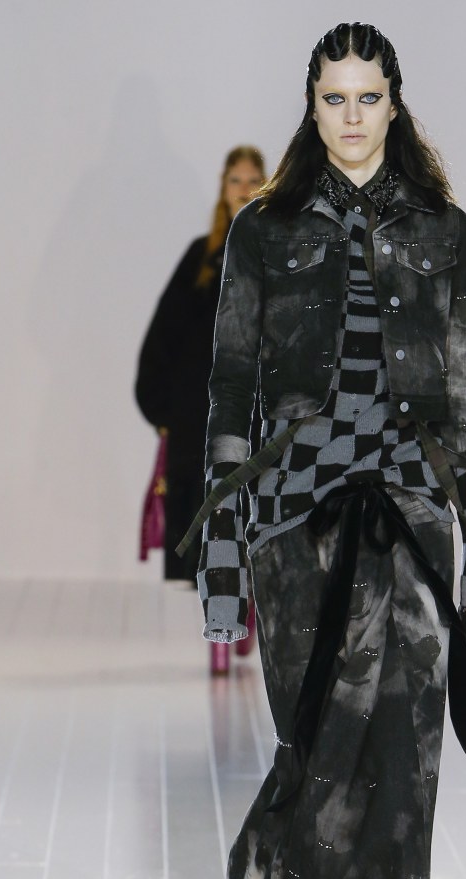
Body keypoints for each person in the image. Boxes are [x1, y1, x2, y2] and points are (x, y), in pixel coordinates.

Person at [190, 23, 466, 879]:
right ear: (311, 103)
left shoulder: (445, 235)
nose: (351, 117)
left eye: (367, 97)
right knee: (323, 804)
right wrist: (219, 567)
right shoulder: (265, 234)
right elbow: (229, 395)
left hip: (414, 533)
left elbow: (464, 402)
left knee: (401, 816)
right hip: (296, 543)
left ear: (394, 101)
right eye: (333, 98)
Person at [135, 145, 266, 672]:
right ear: (223, 188)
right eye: (236, 180)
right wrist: (162, 408)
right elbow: (165, 334)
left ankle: (246, 612)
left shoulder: (282, 253)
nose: (244, 190)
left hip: (260, 411)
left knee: (255, 518)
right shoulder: (201, 259)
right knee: (212, 520)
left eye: (253, 179)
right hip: (202, 414)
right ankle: (220, 633)